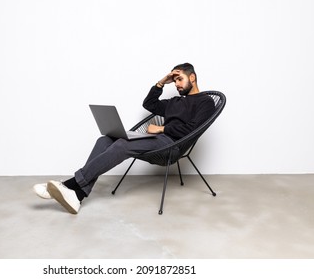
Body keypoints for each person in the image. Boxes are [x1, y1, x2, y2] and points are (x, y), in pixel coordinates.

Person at [33, 63, 215, 214]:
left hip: (172, 145)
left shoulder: (205, 101)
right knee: (104, 140)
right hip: (156, 141)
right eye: (174, 80)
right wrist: (161, 83)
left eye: (180, 79)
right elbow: (149, 104)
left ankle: (70, 184)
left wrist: (162, 128)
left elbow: (194, 129)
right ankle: (78, 195)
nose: (176, 84)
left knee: (121, 145)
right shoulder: (175, 102)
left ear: (192, 77)